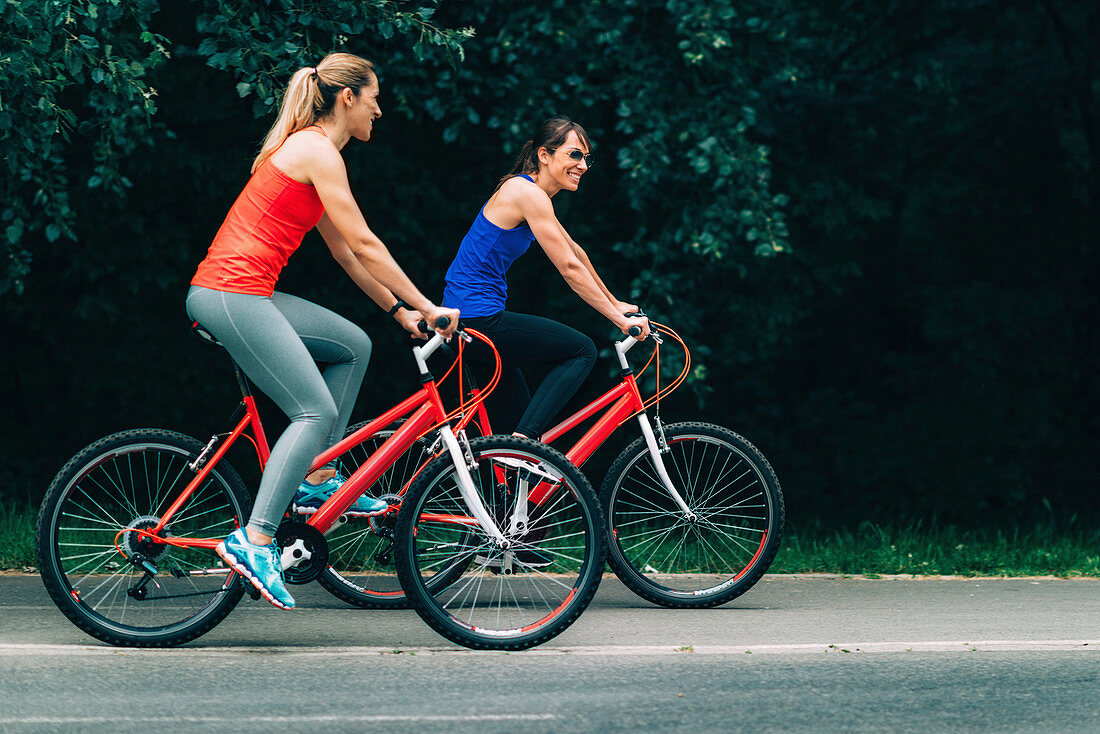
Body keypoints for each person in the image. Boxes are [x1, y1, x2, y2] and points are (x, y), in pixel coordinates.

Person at [186, 53, 458, 610]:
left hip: (249, 292)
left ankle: (316, 477)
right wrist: (427, 305)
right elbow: (364, 242)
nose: (380, 109)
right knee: (314, 411)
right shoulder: (315, 149)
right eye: (374, 97)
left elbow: (342, 251)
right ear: (347, 97)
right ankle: (256, 539)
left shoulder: (318, 153)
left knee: (353, 346)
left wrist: (396, 312)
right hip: (228, 293)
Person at [443, 115, 650, 442]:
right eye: (574, 155)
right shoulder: (526, 193)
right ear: (544, 155)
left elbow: (576, 253)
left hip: (468, 320)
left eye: (586, 157)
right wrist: (617, 320)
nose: (583, 165)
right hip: (476, 319)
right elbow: (568, 268)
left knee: (508, 434)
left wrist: (615, 302)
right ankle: (524, 448)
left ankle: (517, 457)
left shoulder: (533, 195)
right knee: (582, 351)